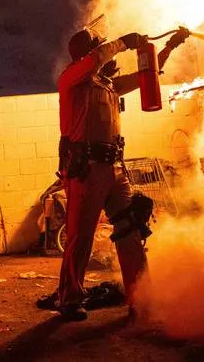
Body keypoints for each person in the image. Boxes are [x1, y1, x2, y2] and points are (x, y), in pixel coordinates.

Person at [55, 26, 191, 321]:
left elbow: (145, 76)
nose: (102, 50)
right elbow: (94, 60)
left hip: (115, 167)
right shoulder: (71, 79)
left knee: (130, 230)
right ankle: (70, 299)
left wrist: (169, 47)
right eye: (97, 46)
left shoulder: (108, 86)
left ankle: (141, 296)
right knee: (80, 236)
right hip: (86, 168)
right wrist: (122, 43)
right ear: (85, 52)